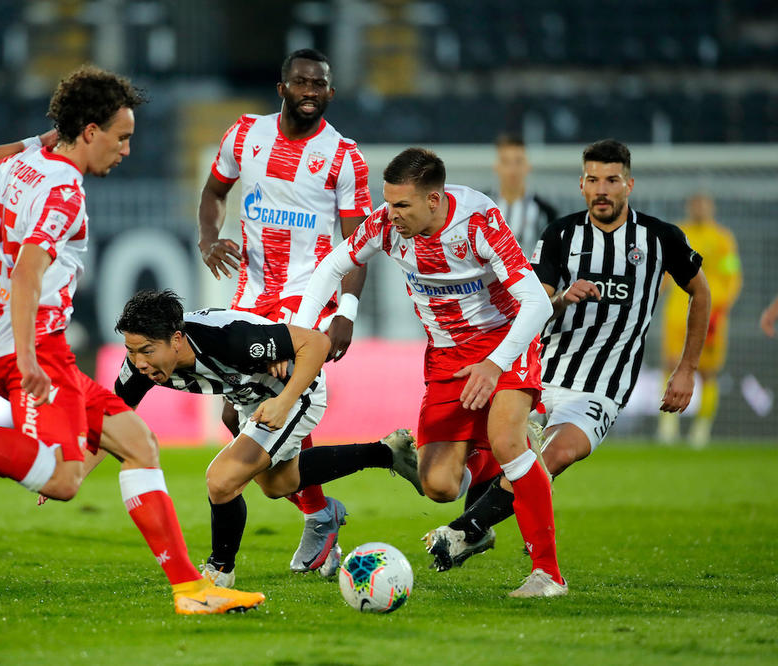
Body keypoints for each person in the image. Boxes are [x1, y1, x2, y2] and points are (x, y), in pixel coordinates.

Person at [0, 66, 264, 615]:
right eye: (121, 137)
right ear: (89, 132)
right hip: (29, 349)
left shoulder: (23, 163)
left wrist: (37, 140)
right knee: (61, 480)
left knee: (138, 444)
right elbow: (28, 272)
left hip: (25, 345)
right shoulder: (62, 190)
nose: (126, 150)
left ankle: (190, 590)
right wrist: (30, 358)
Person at [294, 147, 565, 598]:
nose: (391, 214)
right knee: (439, 487)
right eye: (389, 202)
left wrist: (495, 363)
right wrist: (300, 335)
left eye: (403, 205)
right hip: (446, 356)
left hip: (503, 342)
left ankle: (548, 574)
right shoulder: (385, 224)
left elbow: (535, 302)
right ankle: (495, 459)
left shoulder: (479, 221)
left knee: (507, 438)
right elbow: (332, 266)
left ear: (434, 201)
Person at [436, 139, 710, 573]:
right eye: (594, 179)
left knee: (555, 455)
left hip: (603, 386)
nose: (603, 189)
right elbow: (536, 303)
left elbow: (701, 291)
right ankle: (485, 524)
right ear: (581, 185)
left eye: (612, 180)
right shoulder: (561, 233)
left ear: (629, 184)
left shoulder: (660, 238)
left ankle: (465, 530)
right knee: (499, 454)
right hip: (545, 375)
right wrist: (563, 298)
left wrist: (687, 369)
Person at [198, 48, 373, 574]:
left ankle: (319, 518)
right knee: (237, 417)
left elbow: (357, 244)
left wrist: (347, 310)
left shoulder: (344, 156)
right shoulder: (244, 135)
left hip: (307, 301)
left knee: (270, 414)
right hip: (250, 299)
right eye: (301, 83)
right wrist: (209, 237)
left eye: (319, 84)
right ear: (282, 88)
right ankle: (320, 514)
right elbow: (213, 191)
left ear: (330, 93)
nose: (310, 91)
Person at [113, 290, 420, 587]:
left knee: (221, 480)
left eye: (147, 351)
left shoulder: (229, 338)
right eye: (131, 350)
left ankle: (220, 570)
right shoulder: (142, 363)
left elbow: (316, 342)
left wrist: (284, 401)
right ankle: (386, 453)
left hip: (294, 390)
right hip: (253, 399)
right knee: (277, 485)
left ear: (176, 340)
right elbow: (113, 419)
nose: (138, 361)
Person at [657, 193, 741, 447]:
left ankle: (701, 429)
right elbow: (664, 272)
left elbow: (732, 274)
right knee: (670, 363)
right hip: (678, 308)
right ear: (689, 206)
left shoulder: (723, 239)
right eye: (695, 204)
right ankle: (668, 425)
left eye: (704, 204)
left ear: (711, 207)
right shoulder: (679, 232)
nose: (699, 208)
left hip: (711, 311)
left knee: (708, 371)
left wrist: (722, 304)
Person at [491, 134, 559, 253]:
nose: (512, 169)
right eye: (506, 162)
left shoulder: (546, 212)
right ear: (497, 166)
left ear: (528, 166)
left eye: (518, 161)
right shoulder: (479, 207)